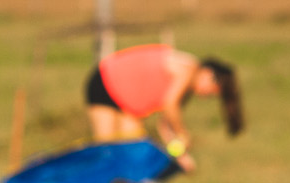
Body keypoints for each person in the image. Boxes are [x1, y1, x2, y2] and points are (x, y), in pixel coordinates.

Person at [82, 44, 243, 173]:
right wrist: (182, 133)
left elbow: (165, 123)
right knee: (107, 149)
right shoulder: (189, 68)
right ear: (208, 74)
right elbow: (170, 105)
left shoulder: (186, 87)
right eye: (211, 91)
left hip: (127, 104)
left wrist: (181, 156)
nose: (206, 96)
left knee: (132, 153)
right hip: (105, 82)